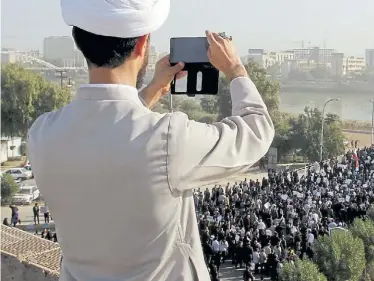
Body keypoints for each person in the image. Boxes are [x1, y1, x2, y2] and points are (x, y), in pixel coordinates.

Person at [27, 0, 275, 280]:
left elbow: (110, 136)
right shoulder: (168, 139)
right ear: (142, 44)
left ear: (79, 41)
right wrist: (235, 69)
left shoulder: (42, 134)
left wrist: (151, 92)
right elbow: (255, 132)